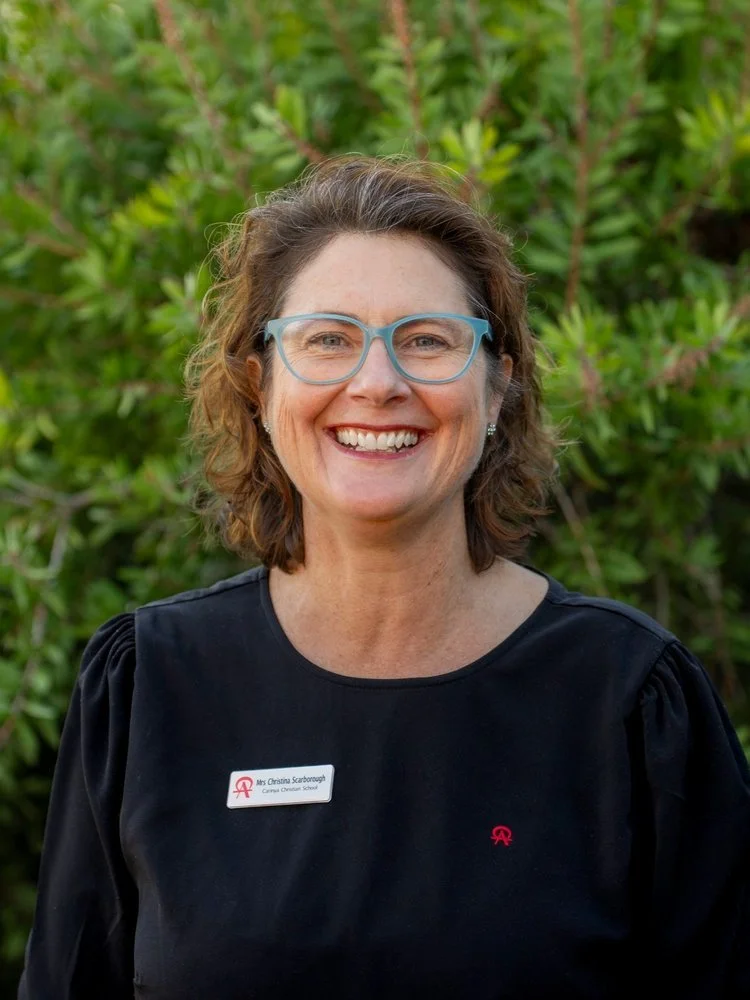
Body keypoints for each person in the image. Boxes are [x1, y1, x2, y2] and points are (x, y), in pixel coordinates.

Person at [18, 156, 750, 1000]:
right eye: (327, 340)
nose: (377, 383)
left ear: (498, 383)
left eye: (427, 341)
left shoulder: (630, 700)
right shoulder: (149, 684)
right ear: (259, 384)